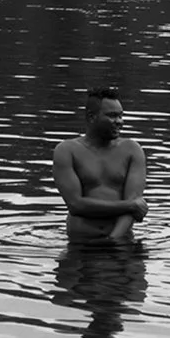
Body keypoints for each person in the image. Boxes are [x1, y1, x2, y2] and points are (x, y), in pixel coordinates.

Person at [53, 85, 147, 244]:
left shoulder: (132, 150)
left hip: (120, 239)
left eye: (120, 116)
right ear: (91, 117)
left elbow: (134, 204)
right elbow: (75, 204)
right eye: (112, 116)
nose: (119, 122)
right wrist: (129, 206)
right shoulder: (66, 150)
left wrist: (113, 240)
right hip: (80, 242)